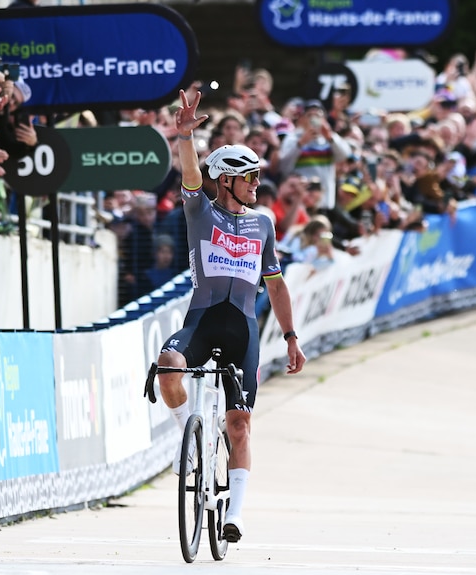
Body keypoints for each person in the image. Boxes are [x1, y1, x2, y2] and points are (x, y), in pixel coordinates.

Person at [157, 89, 306, 544]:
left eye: (258, 176)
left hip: (243, 328)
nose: (257, 184)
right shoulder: (200, 211)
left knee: (239, 425)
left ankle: (235, 514)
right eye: (249, 177)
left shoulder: (263, 223)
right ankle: (189, 438)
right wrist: (186, 137)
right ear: (225, 181)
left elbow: (276, 286)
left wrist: (291, 337)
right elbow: (190, 175)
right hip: (202, 320)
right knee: (167, 366)